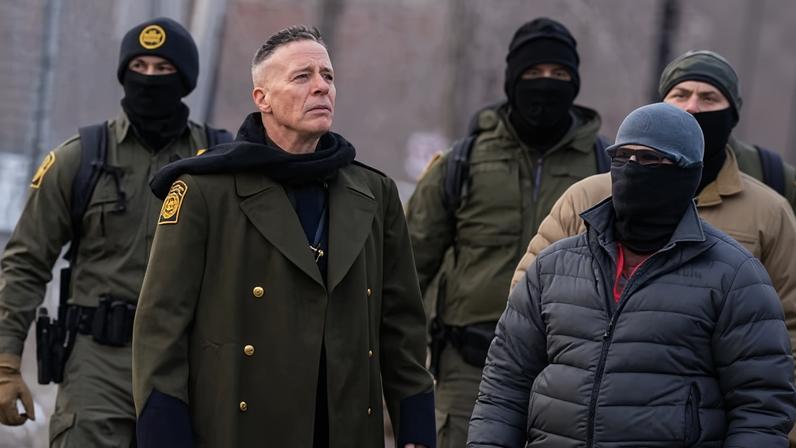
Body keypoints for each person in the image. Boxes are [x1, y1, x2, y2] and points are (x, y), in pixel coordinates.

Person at [131, 26, 435, 448]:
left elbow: (401, 324)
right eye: (302, 76)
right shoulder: (204, 191)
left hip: (344, 430)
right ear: (263, 98)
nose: (321, 87)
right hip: (239, 430)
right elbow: (161, 328)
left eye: (327, 76)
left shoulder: (373, 192)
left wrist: (416, 430)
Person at [468, 102, 796, 447]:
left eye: (650, 159)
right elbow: (504, 385)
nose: (633, 168)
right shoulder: (553, 266)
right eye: (623, 156)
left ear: (687, 173)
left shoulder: (735, 277)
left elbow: (761, 409)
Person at [0, 17, 230, 447]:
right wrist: (6, 363)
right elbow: (26, 263)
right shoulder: (81, 159)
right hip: (96, 365)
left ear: (184, 79)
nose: (149, 78)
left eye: (163, 69)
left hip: (188, 368)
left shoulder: (218, 162)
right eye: (139, 67)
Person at [511, 49, 796, 365]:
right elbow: (527, 302)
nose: (692, 107)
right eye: (680, 94)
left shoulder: (769, 212)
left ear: (732, 113)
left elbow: (788, 325)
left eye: (709, 98)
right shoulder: (588, 197)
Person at [405, 17, 606, 447]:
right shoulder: (462, 162)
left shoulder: (604, 168)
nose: (545, 84)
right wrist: (400, 365)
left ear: (575, 82)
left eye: (559, 74)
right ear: (513, 79)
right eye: (534, 73)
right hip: (468, 371)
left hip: (568, 375)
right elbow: (405, 270)